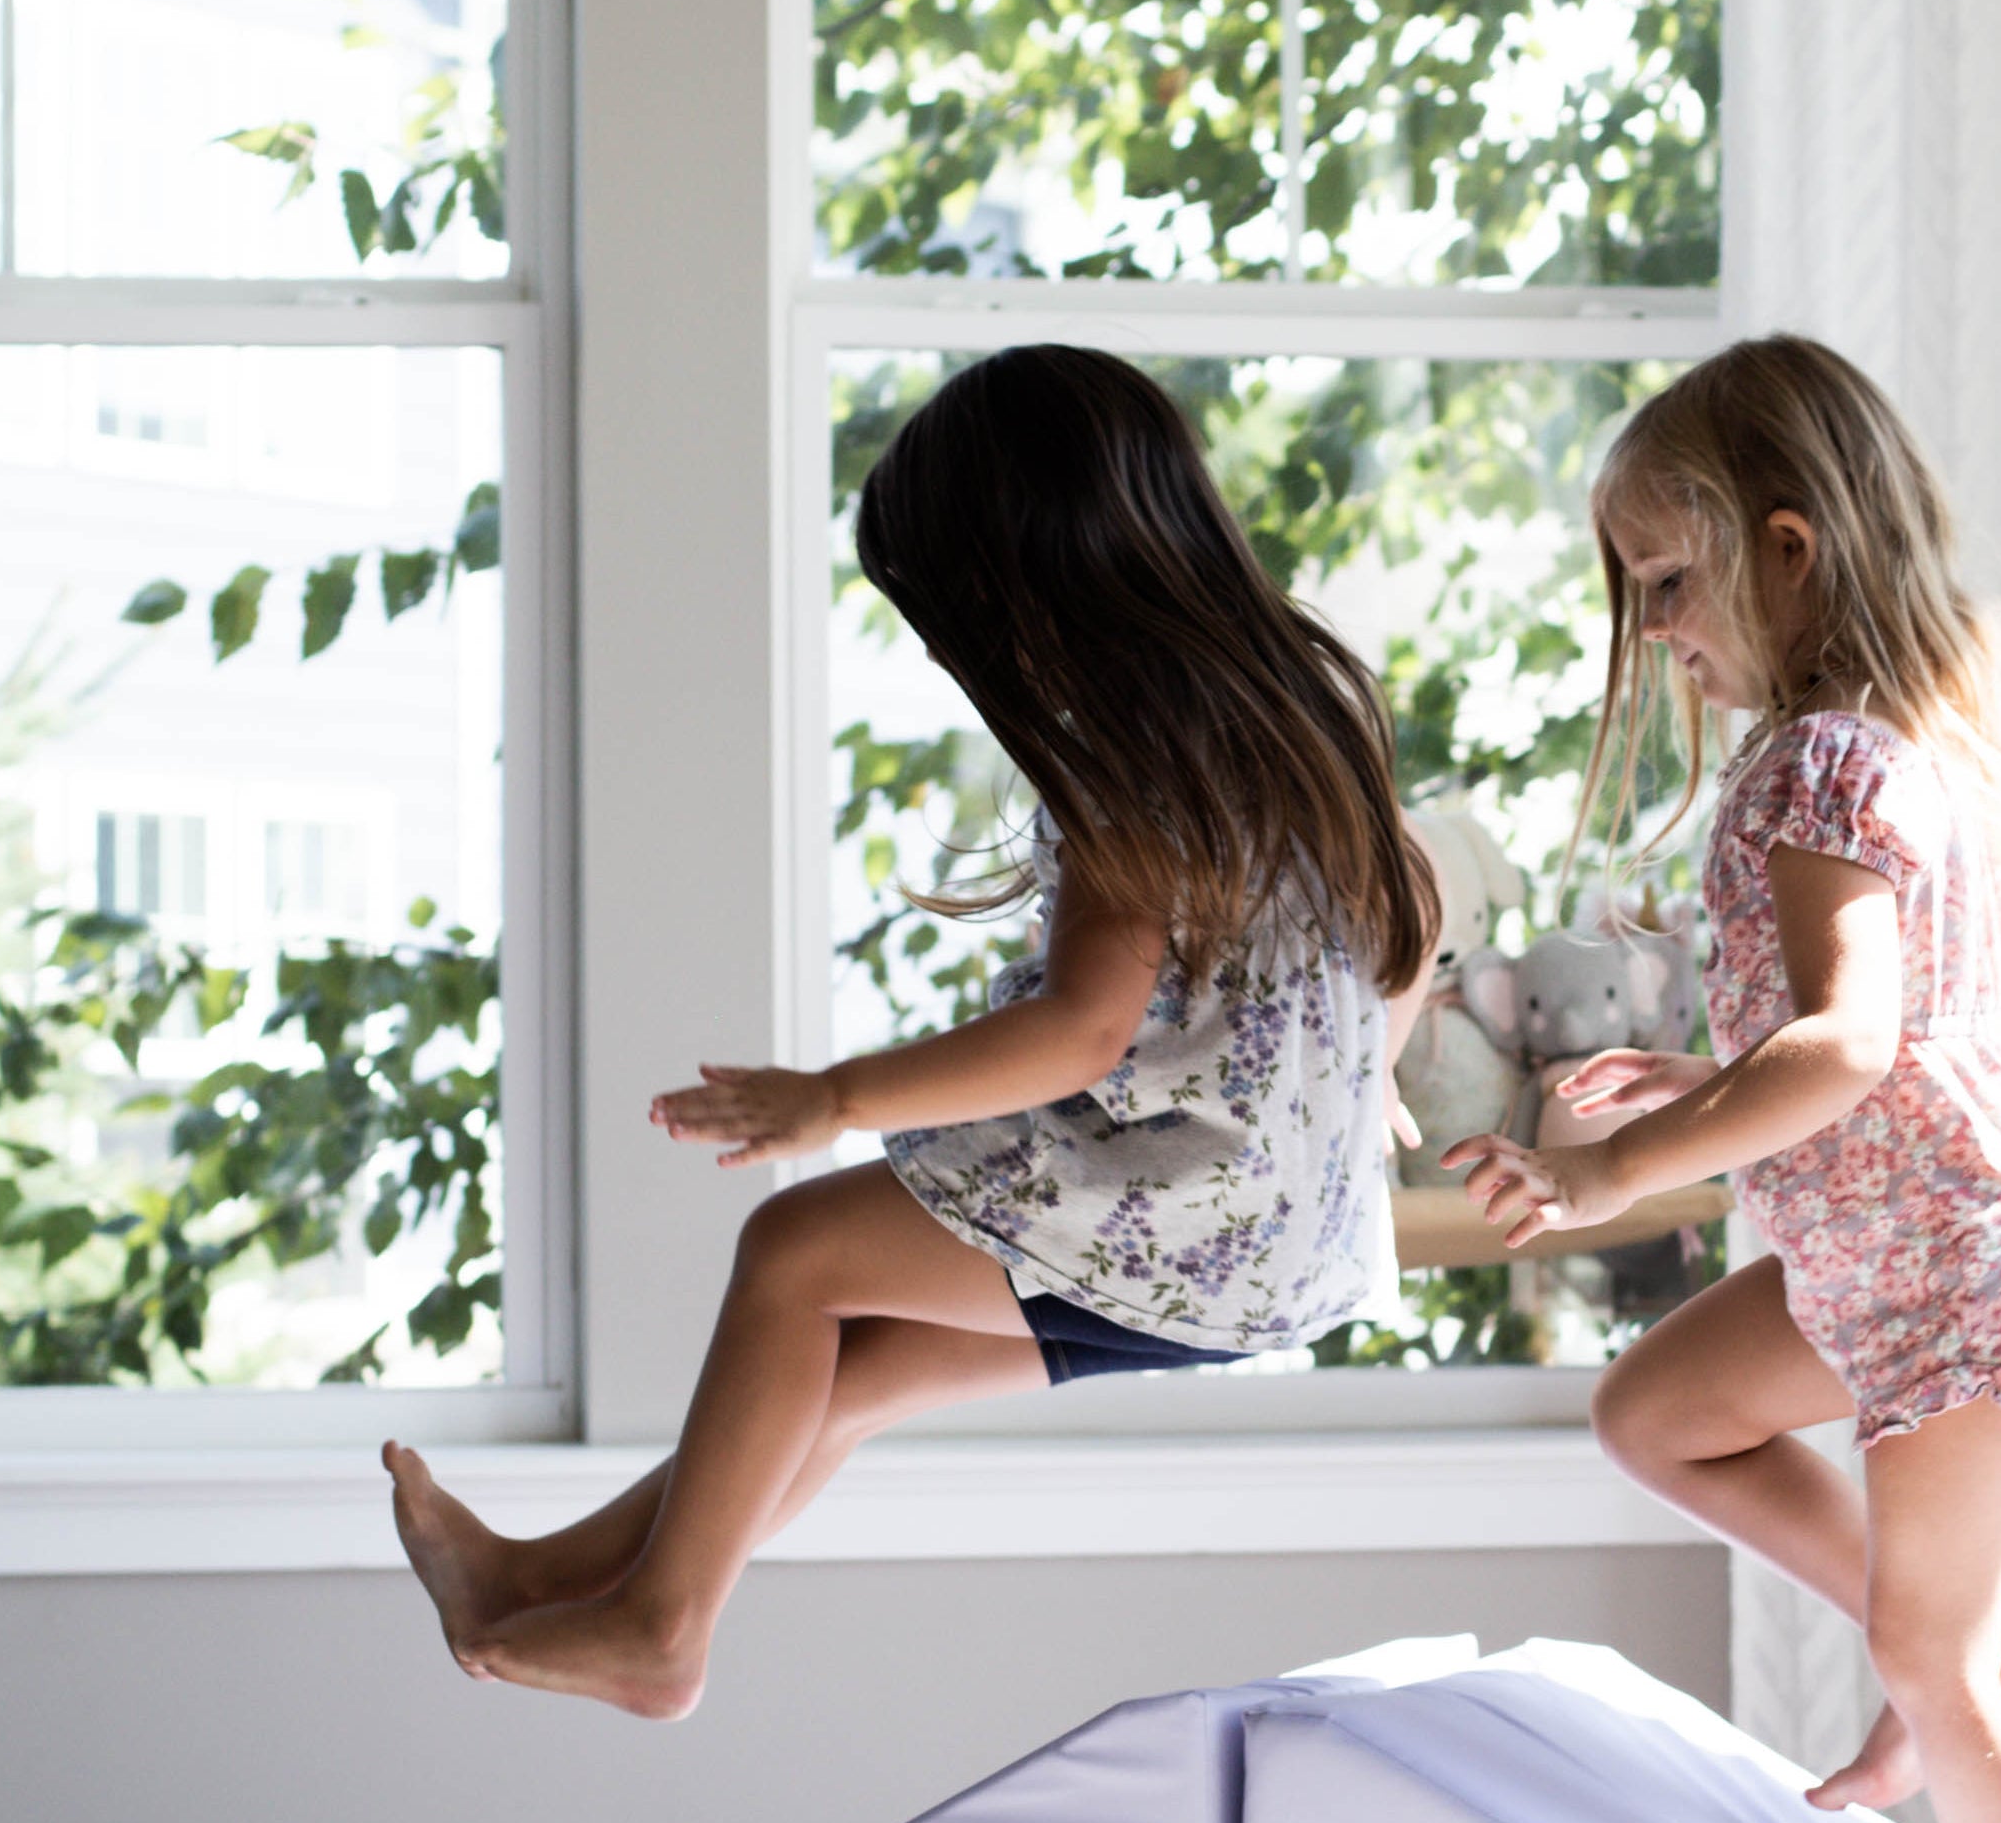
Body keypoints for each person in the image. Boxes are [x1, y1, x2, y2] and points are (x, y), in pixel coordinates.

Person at [389, 345, 1432, 1716]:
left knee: (792, 1251)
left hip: (1190, 1211)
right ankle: (544, 1583)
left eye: (963, 629)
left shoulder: (1139, 765)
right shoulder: (1305, 696)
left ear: (1038, 588)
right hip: (1291, 1237)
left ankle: (661, 1627)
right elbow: (1410, 900)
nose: (969, 664)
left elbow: (1078, 1033)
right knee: (847, 1356)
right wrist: (1352, 1077)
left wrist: (834, 1097)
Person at [1445, 335, 2001, 1823]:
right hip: (1882, 1241)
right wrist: (1702, 1075)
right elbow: (1839, 1038)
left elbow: (1851, 1039)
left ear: (1790, 545)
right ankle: (1945, 1651)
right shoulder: (1856, 747)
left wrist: (1610, 1169)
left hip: (1965, 1257)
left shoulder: (1826, 761)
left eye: (1671, 582)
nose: (1660, 628)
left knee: (1938, 1655)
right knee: (1660, 1412)